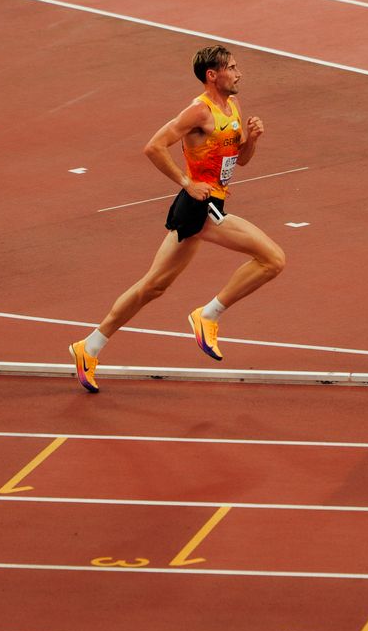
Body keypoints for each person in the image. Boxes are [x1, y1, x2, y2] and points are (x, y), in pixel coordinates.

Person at [70, 44, 286, 392]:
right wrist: (187, 182)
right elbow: (153, 146)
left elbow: (240, 161)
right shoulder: (197, 113)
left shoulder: (231, 106)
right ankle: (207, 315)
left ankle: (89, 346)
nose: (238, 72)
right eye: (231, 67)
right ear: (212, 75)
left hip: (207, 206)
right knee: (273, 259)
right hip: (203, 207)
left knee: (153, 286)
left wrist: (253, 141)